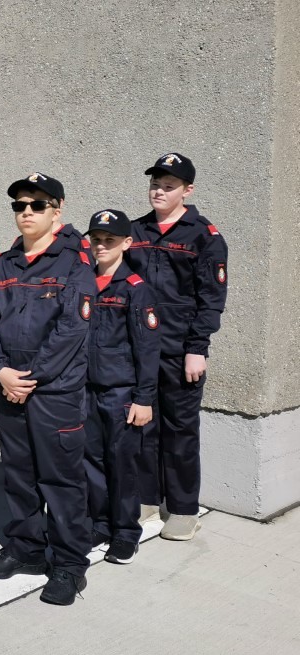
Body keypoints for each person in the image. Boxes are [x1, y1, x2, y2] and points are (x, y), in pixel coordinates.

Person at [0, 173, 95, 606]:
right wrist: (1, 371)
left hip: (54, 393)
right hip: (8, 386)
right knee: (19, 475)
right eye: (19, 205)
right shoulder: (2, 264)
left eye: (37, 204)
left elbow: (71, 330)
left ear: (57, 210)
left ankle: (68, 565)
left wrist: (29, 378)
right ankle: (26, 549)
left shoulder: (74, 263)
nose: (26, 212)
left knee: (61, 480)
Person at [126, 153, 228, 541]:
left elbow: (211, 297)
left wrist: (197, 348)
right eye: (155, 184)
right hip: (140, 349)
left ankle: (184, 509)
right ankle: (147, 500)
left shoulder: (204, 236)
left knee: (181, 430)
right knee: (143, 426)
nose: (159, 192)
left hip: (180, 350)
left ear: (188, 191)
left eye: (168, 187)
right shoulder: (135, 231)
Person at [83, 209, 160, 564]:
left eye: (109, 240)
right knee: (91, 460)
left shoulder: (135, 290)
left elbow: (148, 349)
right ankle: (100, 524)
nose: (101, 246)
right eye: (96, 239)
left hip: (121, 393)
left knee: (122, 464)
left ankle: (127, 532)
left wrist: (144, 399)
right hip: (86, 390)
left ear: (127, 243)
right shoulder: (84, 283)